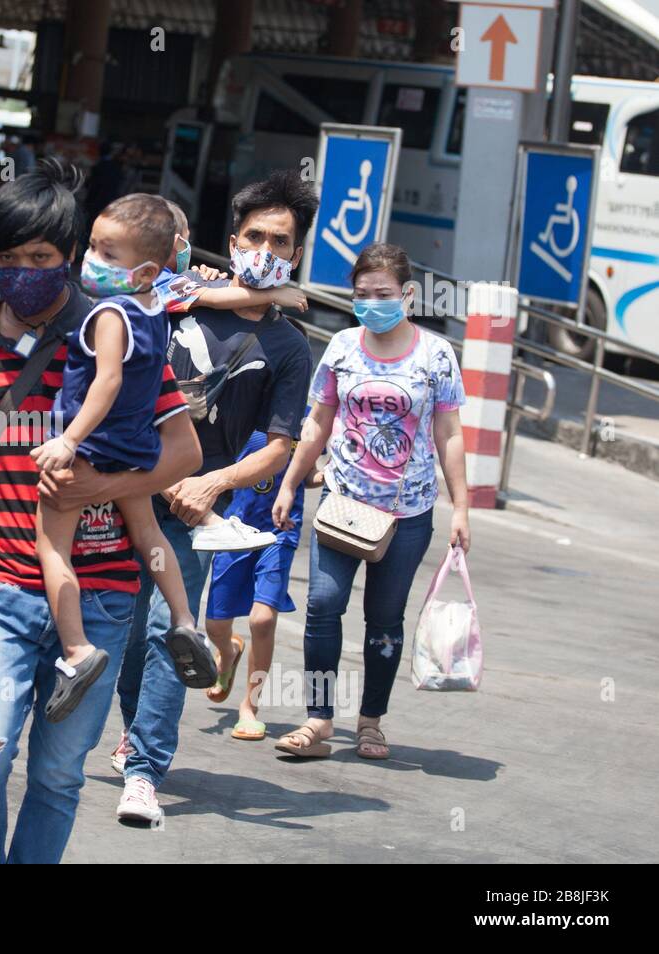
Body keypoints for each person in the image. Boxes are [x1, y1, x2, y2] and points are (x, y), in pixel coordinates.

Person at [0, 158, 201, 863]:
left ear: (71, 256)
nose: (22, 271)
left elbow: (183, 453)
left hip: (105, 596)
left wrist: (96, 490)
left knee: (55, 776)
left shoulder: (116, 331)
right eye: (5, 258)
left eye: (39, 257)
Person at [110, 169, 318, 824]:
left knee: (170, 627)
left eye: (281, 242)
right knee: (121, 630)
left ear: (295, 253)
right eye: (256, 236)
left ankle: (144, 768)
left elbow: (279, 447)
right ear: (232, 242)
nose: (266, 248)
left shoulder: (289, 347)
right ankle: (129, 728)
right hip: (122, 484)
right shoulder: (175, 296)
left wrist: (212, 483)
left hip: (194, 506)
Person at [272, 241, 470, 760]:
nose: (371, 303)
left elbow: (449, 432)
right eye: (361, 294)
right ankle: (318, 721)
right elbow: (317, 421)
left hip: (407, 513)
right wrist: (291, 481)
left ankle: (371, 722)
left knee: (384, 619)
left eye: (382, 294)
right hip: (342, 501)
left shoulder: (436, 355)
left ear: (407, 295)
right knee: (322, 606)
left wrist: (462, 508)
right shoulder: (340, 347)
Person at [29, 194, 208, 724]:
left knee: (51, 544)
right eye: (93, 247)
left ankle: (77, 650)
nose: (91, 260)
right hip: (137, 451)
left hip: (94, 451)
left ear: (146, 269)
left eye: (108, 254)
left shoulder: (110, 313)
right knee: (149, 536)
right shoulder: (156, 308)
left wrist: (69, 441)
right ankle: (182, 621)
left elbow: (106, 382)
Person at [202, 424, 322, 741]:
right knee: (215, 625)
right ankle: (228, 652)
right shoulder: (246, 406)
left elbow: (308, 473)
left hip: (280, 532)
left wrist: (329, 474)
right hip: (233, 528)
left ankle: (250, 707)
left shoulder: (308, 420)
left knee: (263, 619)